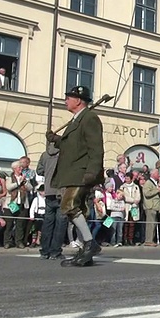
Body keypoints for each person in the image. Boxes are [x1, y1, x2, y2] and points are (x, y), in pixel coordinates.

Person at [46, 85, 104, 267]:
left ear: (78, 100)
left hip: (81, 172)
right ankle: (87, 250)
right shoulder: (76, 120)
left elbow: (96, 149)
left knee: (68, 206)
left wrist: (92, 172)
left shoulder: (90, 118)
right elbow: (71, 147)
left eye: (68, 98)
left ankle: (89, 243)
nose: (66, 101)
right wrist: (57, 140)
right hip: (72, 172)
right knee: (76, 210)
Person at [36, 142, 67, 260]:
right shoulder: (65, 154)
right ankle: (55, 252)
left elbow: (39, 170)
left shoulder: (45, 154)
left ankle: (44, 251)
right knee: (60, 223)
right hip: (61, 190)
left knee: (48, 222)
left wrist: (48, 172)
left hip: (49, 191)